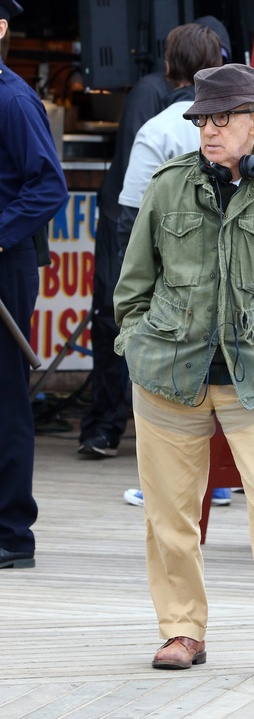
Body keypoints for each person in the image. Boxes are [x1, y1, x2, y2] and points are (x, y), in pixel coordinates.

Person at [114, 63, 254, 679]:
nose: (209, 129)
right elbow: (132, 287)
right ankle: (181, 629)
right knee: (169, 513)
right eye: (202, 119)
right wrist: (135, 345)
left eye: (223, 118)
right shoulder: (168, 185)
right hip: (166, 373)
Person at [78, 16, 231, 461]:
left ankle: (156, 452)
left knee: (152, 352)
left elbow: (131, 208)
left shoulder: (160, 125)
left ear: (168, 64)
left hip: (167, 263)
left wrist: (134, 277)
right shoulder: (238, 125)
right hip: (217, 267)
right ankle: (210, 464)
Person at [0, 0, 68, 569]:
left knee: (4, 398)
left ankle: (11, 534)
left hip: (4, 261)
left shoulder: (14, 99)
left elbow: (48, 187)